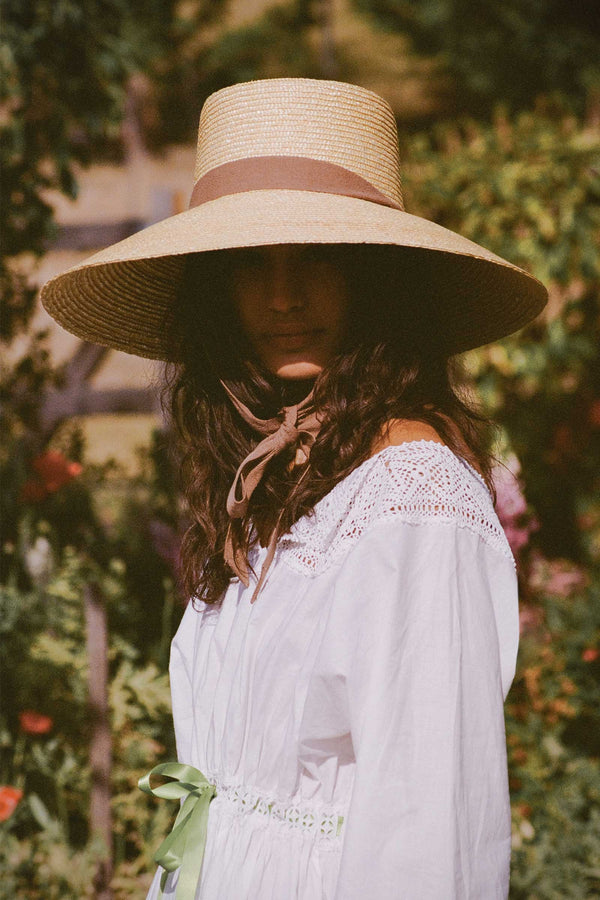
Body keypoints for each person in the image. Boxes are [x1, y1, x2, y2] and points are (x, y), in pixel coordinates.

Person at [40, 77, 548, 899]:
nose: (283, 295)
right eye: (250, 264)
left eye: (317, 255)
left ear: (377, 276)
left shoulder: (411, 500)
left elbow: (428, 833)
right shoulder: (274, 478)